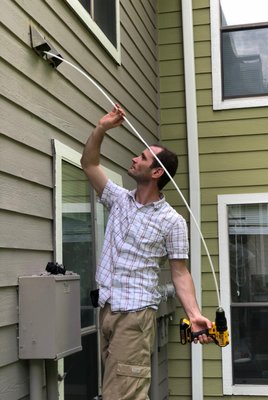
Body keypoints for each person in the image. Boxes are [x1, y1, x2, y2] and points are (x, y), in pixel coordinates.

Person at [81, 104, 212, 400]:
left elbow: (180, 271)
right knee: (116, 390)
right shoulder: (119, 200)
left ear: (156, 172)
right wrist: (101, 128)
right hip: (107, 310)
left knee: (123, 394)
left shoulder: (171, 221)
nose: (134, 158)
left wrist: (193, 314)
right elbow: (89, 164)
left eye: (141, 157)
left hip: (135, 315)